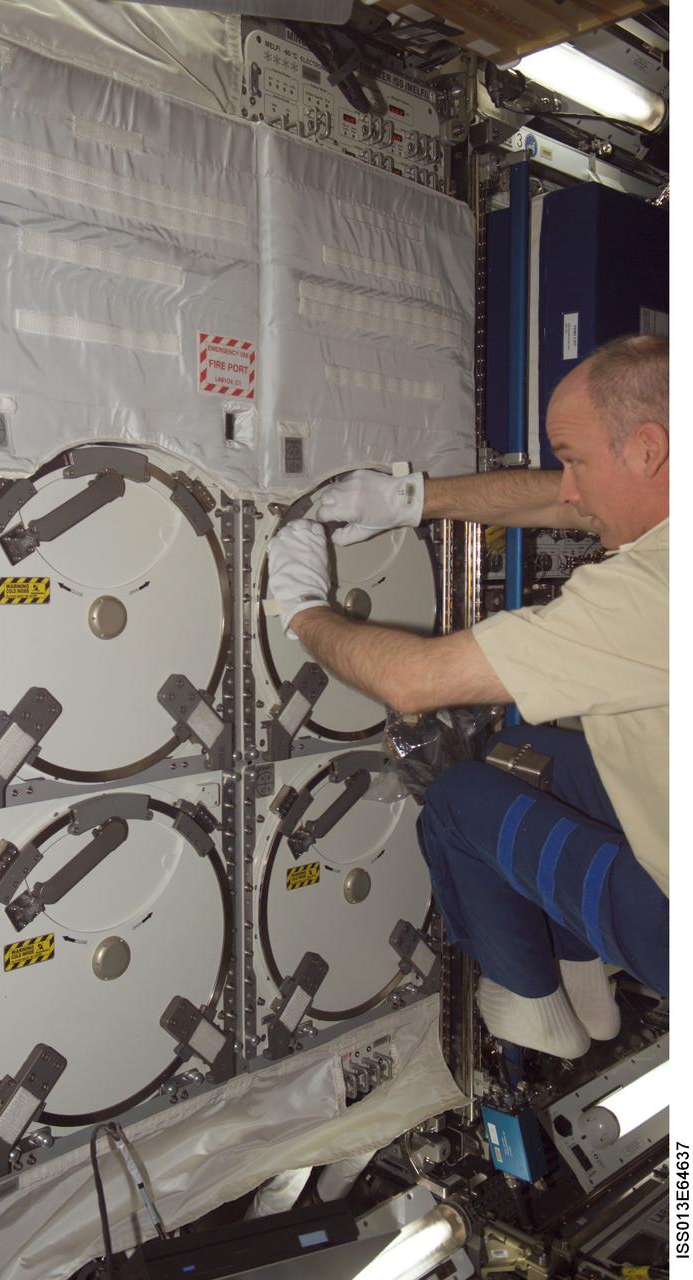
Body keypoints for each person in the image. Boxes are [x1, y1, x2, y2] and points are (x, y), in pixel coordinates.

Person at [266, 334, 668, 1058]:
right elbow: (562, 505)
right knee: (532, 755)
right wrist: (410, 502)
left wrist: (299, 608)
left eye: (572, 459)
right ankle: (582, 977)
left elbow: (411, 682)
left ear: (646, 449)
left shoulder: (657, 592)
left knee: (457, 801)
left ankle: (529, 1003)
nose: (567, 487)